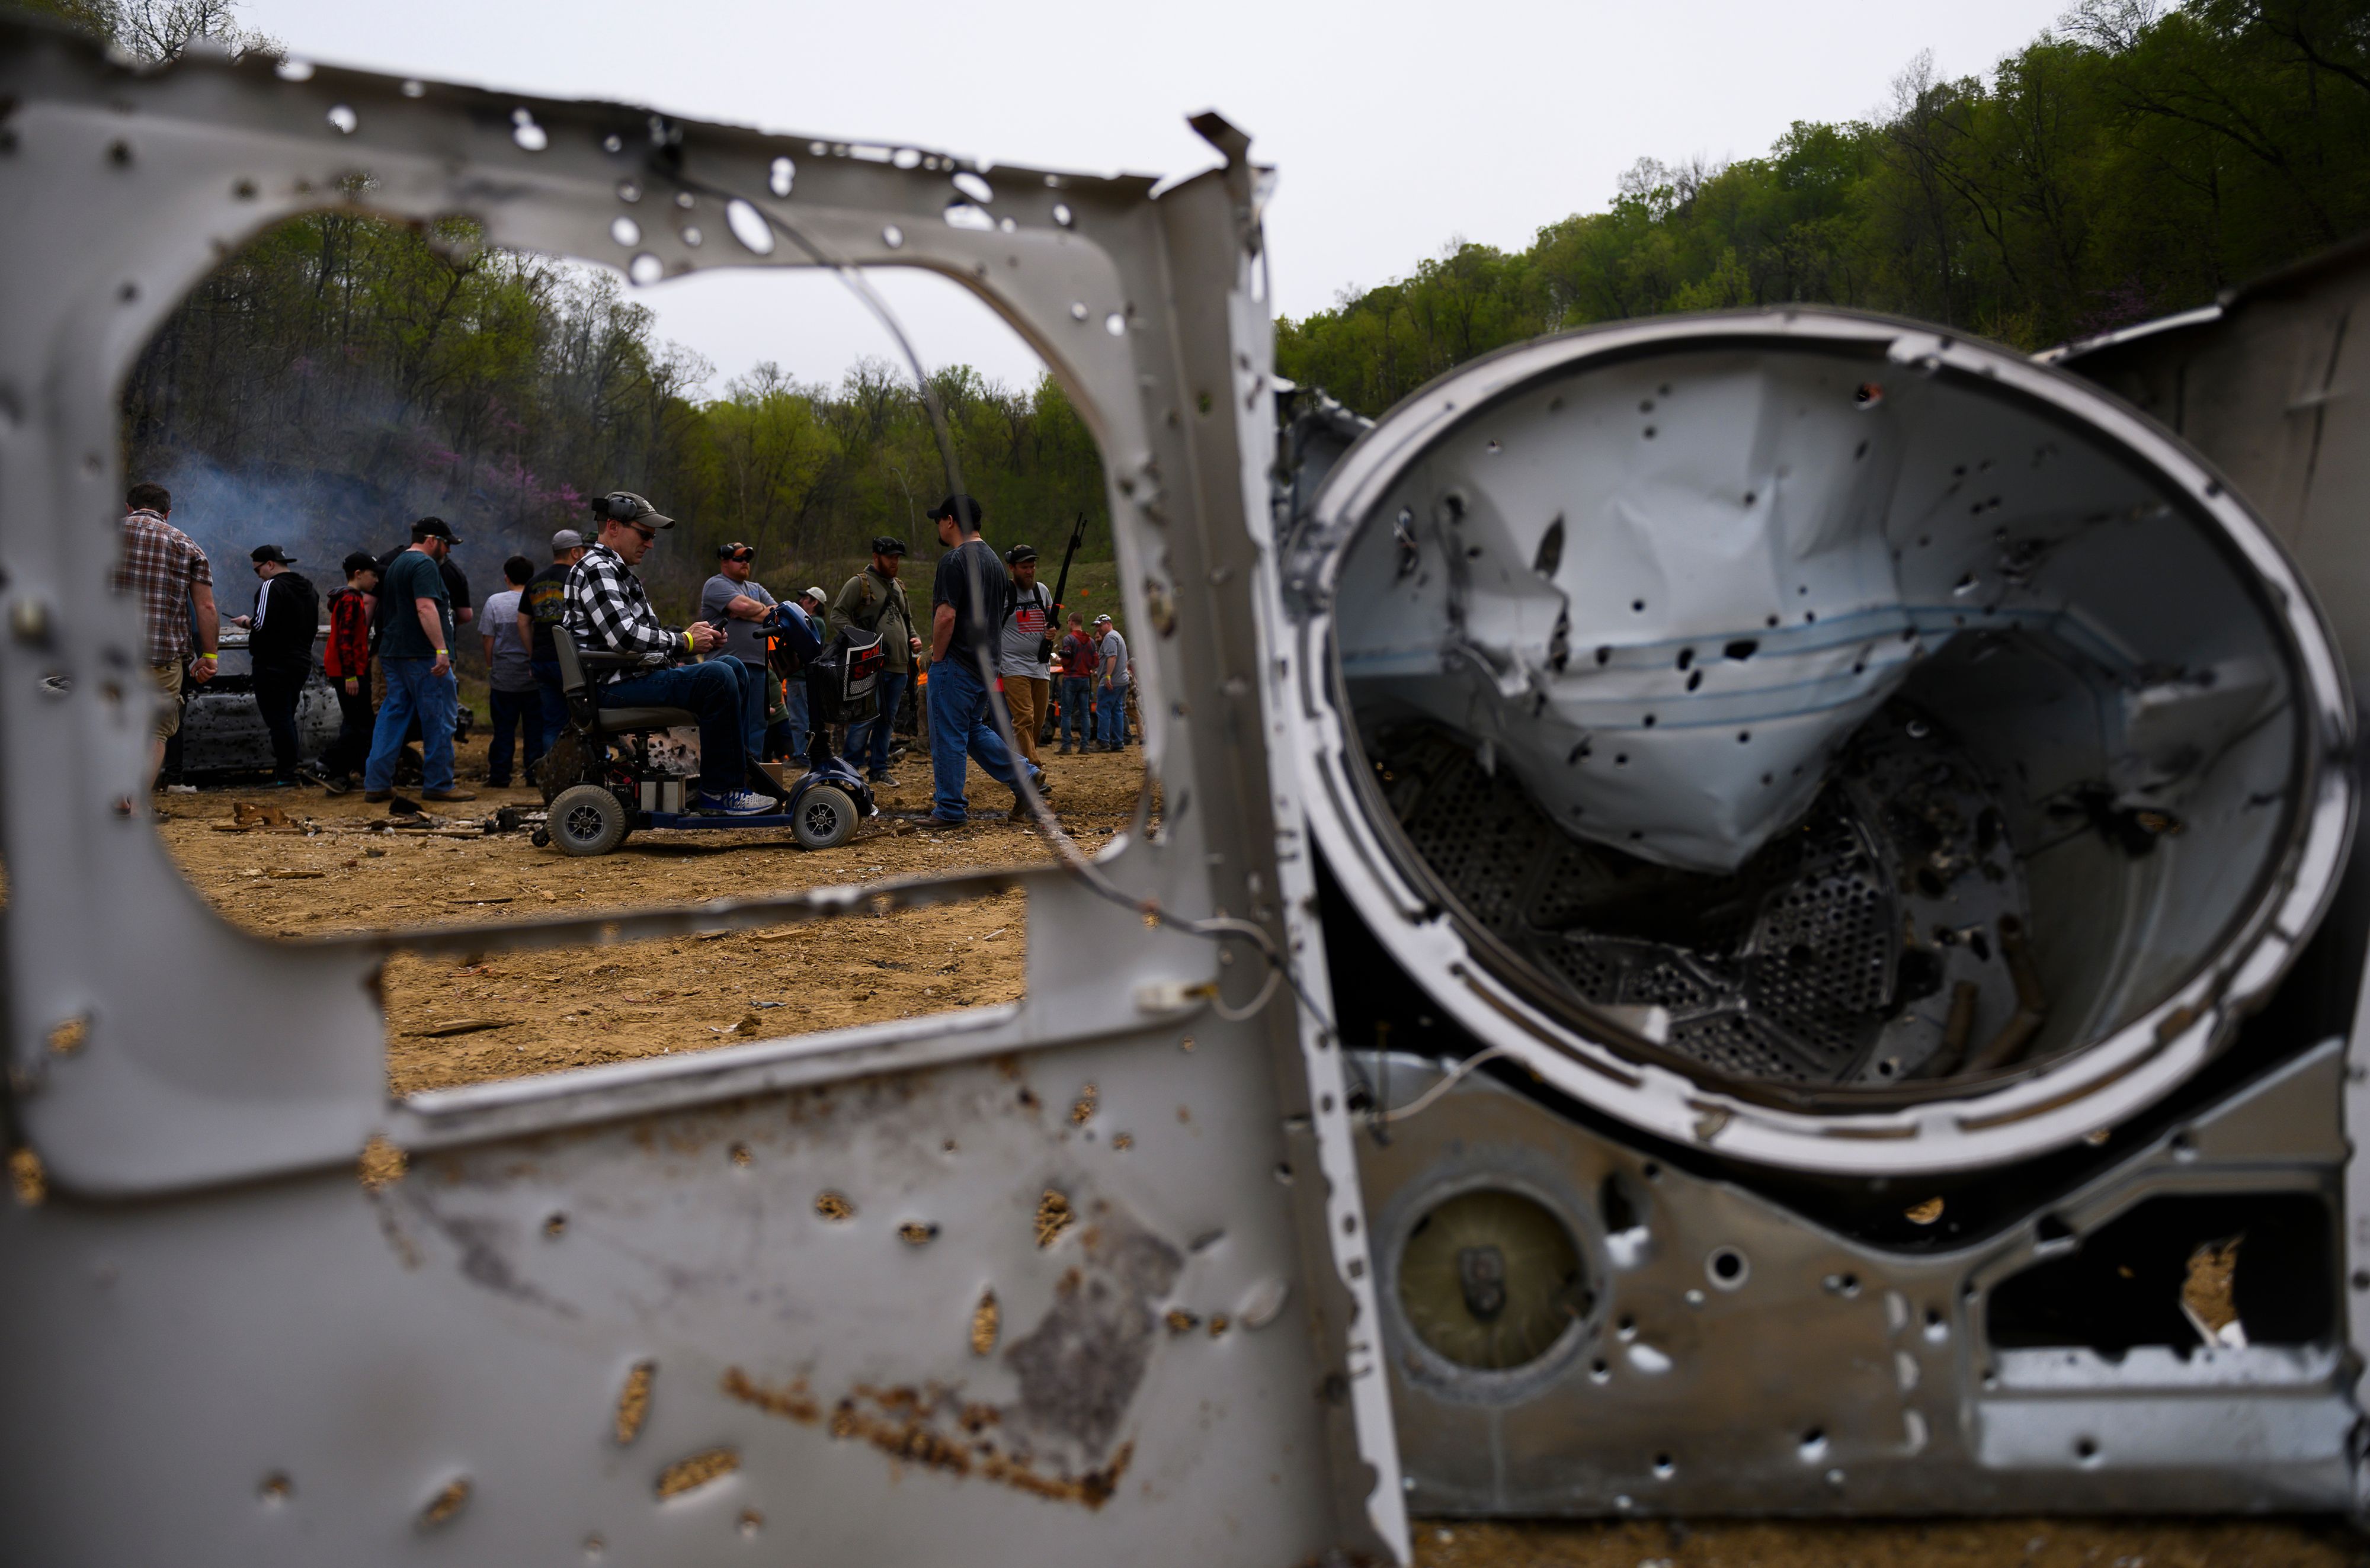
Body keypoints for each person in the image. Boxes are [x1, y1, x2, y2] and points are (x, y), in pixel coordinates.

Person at [563, 489, 770, 815]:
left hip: (630, 678)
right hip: (610, 688)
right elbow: (625, 638)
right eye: (645, 535)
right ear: (614, 526)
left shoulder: (617, 572)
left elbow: (647, 634)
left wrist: (692, 635)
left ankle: (734, 781)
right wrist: (686, 642)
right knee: (717, 675)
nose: (650, 543)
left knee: (732, 666)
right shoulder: (596, 568)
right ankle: (720, 792)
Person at [923, 495, 1048, 826]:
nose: (938, 524)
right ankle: (1026, 775)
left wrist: (937, 659)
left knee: (948, 734)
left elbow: (946, 616)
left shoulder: (954, 561)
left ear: (950, 521)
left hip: (957, 662)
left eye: (940, 519)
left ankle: (949, 809)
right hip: (986, 665)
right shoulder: (993, 561)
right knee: (972, 731)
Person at [113, 482, 218, 788]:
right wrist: (209, 656)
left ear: (128, 508)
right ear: (168, 513)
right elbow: (206, 607)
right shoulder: (187, 545)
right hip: (162, 658)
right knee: (156, 732)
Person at [363, 517, 474, 804]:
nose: (448, 551)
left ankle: (376, 783)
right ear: (432, 540)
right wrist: (441, 649)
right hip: (423, 655)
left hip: (392, 651)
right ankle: (439, 783)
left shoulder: (398, 563)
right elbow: (425, 608)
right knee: (438, 718)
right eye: (447, 544)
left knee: (392, 715)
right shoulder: (424, 565)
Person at [832, 536, 921, 784]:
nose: (895, 562)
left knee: (888, 719)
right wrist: (863, 640)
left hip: (899, 664)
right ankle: (849, 771)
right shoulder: (859, 583)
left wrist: (914, 638)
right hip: (870, 664)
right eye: (890, 557)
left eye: (897, 558)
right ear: (876, 557)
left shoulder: (899, 586)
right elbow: (837, 616)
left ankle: (879, 769)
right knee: (864, 718)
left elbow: (907, 620)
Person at [232, 544, 319, 787]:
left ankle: (287, 775)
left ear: (270, 564)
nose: (258, 575)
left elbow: (261, 623)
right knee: (286, 717)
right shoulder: (309, 589)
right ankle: (286, 771)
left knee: (278, 720)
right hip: (300, 661)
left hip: (273, 663)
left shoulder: (272, 586)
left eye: (258, 570)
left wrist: (245, 622)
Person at [698, 541, 779, 767]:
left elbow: (777, 615)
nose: (745, 563)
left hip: (758, 665)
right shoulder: (716, 584)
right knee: (731, 724)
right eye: (739, 559)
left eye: (747, 560)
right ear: (725, 561)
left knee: (757, 723)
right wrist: (757, 611)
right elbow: (744, 607)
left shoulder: (756, 587)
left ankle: (753, 775)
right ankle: (728, 773)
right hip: (726, 667)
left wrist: (746, 613)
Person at [316, 550, 379, 794]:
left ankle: (350, 771)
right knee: (362, 725)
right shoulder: (351, 600)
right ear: (358, 574)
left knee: (355, 723)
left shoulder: (346, 598)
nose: (375, 580)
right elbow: (345, 639)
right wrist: (351, 675)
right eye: (373, 575)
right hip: (348, 672)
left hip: (344, 669)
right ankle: (326, 764)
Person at [480, 554, 543, 789]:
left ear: (506, 578)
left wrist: (491, 666)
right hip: (532, 677)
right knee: (534, 729)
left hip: (503, 678)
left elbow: (488, 639)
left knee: (503, 729)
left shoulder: (495, 603)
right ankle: (534, 775)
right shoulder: (538, 600)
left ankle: (500, 776)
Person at [522, 528, 585, 742]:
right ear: (575, 552)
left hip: (541, 661)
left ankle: (552, 773)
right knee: (586, 721)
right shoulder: (577, 578)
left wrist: (533, 655)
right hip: (570, 662)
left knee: (552, 723)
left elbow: (522, 622)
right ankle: (587, 771)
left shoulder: (534, 583)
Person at [997, 543, 1056, 768]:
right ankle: (1033, 768)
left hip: (1041, 666)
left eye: (1033, 566)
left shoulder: (1042, 591)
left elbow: (1051, 621)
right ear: (1012, 568)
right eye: (1025, 567)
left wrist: (1052, 631)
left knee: (1037, 724)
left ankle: (1016, 764)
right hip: (1013, 667)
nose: (1030, 571)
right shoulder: (1003, 593)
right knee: (1024, 719)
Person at [1055, 612, 1098, 755]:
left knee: (1066, 713)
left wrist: (1060, 661)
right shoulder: (1091, 641)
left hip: (1071, 678)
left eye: (1068, 622)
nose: (1068, 624)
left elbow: (1066, 659)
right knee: (1085, 713)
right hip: (1085, 679)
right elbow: (1095, 662)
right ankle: (1084, 746)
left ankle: (1066, 746)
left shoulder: (1069, 639)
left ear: (1072, 622)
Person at [1095, 613, 1131, 751]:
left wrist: (1108, 677)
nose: (1098, 629)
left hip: (1111, 681)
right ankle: (1118, 742)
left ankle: (1103, 741)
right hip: (1122, 680)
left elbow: (1112, 657)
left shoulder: (1110, 637)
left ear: (1108, 623)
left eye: (1100, 625)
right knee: (1118, 711)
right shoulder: (1117, 636)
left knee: (1103, 710)